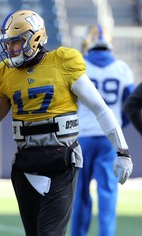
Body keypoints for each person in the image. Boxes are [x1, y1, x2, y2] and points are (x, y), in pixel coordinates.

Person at [0, 10, 133, 236]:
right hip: (26, 164)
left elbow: (100, 109)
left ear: (34, 38)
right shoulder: (5, 73)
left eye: (15, 43)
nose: (11, 49)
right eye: (8, 44)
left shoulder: (63, 61)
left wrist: (122, 151)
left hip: (62, 161)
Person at [71, 25, 135, 236]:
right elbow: (131, 104)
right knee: (108, 193)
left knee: (79, 194)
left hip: (82, 137)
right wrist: (119, 125)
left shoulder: (79, 66)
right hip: (110, 139)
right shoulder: (122, 68)